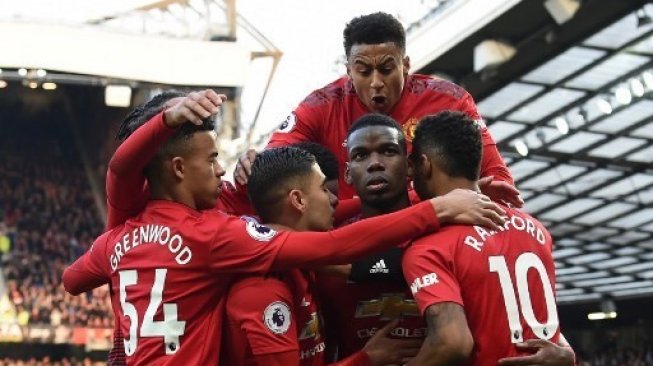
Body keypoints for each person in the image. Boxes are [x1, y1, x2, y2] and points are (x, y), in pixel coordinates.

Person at [62, 94, 505, 364]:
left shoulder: (116, 239)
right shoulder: (219, 237)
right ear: (178, 167)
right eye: (213, 160)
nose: (223, 169)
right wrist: (438, 208)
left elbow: (72, 278)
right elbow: (335, 243)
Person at [235, 12, 520, 207]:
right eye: (363, 71)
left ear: (405, 65)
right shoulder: (320, 106)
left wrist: (471, 195)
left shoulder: (450, 100)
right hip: (355, 243)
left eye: (386, 69)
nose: (376, 83)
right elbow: (271, 166)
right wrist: (255, 164)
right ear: (348, 70)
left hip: (433, 236)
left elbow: (500, 180)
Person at [402, 111, 573, 366]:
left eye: (412, 165)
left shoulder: (429, 248)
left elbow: (452, 343)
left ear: (424, 165)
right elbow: (544, 324)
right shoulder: (537, 231)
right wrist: (567, 353)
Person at [222, 147, 420, 366]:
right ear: (298, 200)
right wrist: (365, 359)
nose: (334, 200)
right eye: (324, 189)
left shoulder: (305, 265)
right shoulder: (263, 288)